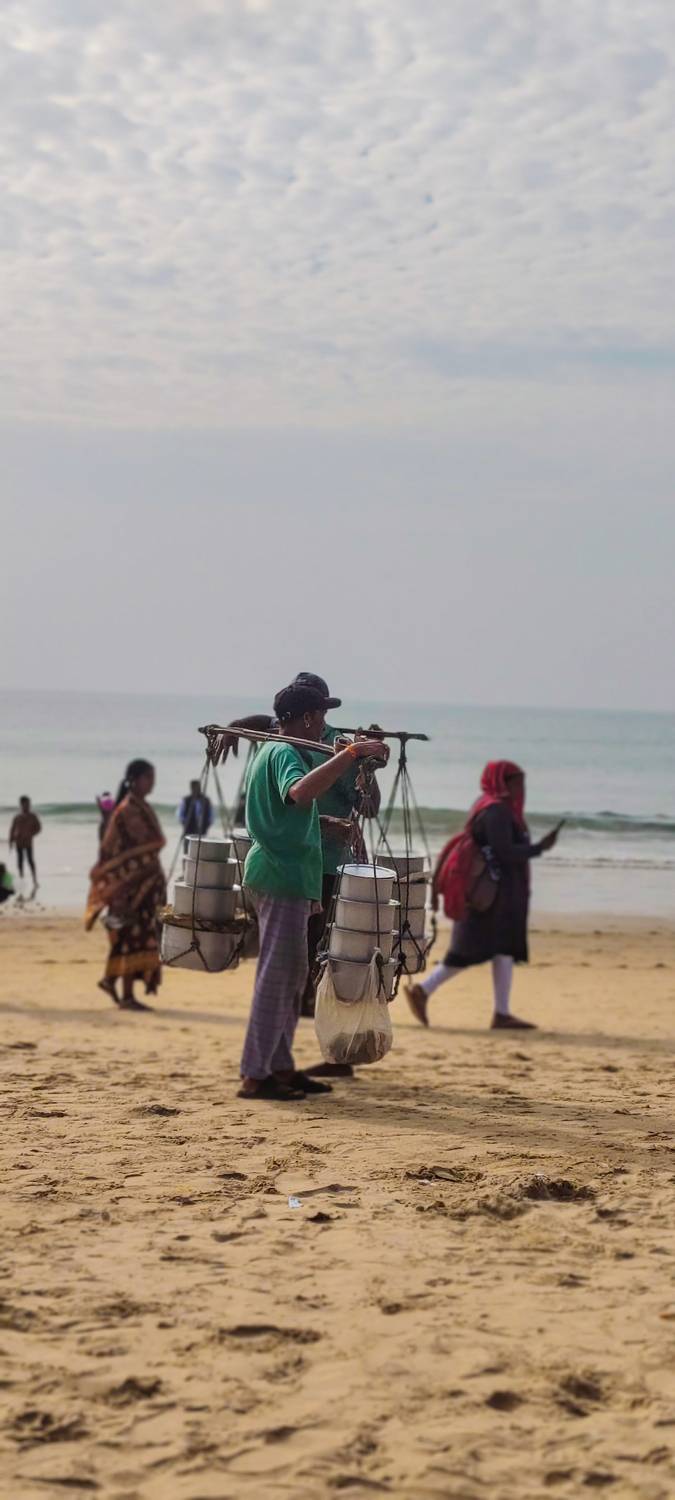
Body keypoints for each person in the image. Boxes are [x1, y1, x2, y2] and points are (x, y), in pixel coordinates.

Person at [238, 682, 388, 1100]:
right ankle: (256, 1073)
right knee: (276, 979)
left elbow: (295, 806)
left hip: (291, 876)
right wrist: (350, 754)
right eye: (320, 715)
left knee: (292, 977)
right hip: (280, 876)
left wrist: (349, 762)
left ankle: (281, 1066)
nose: (324, 723)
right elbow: (300, 793)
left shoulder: (280, 750)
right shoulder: (283, 753)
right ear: (306, 718)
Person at [405, 760, 560, 1031]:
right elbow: (505, 852)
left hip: (491, 892)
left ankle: (501, 1013)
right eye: (515, 782)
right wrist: (539, 848)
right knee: (466, 953)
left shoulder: (486, 805)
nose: (520, 788)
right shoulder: (497, 811)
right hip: (490, 897)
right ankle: (423, 990)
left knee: (502, 949)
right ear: (502, 781)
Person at [86, 759, 166, 1012]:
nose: (152, 782)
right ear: (136, 779)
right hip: (129, 888)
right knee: (131, 938)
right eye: (148, 777)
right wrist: (118, 890)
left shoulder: (140, 806)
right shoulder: (127, 810)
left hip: (145, 887)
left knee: (133, 938)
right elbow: (112, 854)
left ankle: (111, 981)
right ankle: (126, 995)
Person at [9, 797, 41, 895]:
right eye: (25, 804)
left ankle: (35, 880)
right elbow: (12, 829)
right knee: (20, 862)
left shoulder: (33, 816)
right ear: (21, 805)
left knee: (31, 861)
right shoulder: (17, 817)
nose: (27, 806)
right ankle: (22, 880)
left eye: (28, 804)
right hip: (18, 842)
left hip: (28, 843)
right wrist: (11, 841)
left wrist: (31, 834)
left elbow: (39, 828)